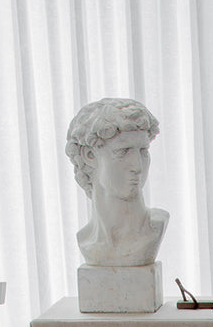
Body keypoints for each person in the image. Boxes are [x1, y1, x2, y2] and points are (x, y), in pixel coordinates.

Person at [64, 98, 168, 267]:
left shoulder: (155, 227)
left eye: (143, 151)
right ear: (89, 156)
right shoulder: (86, 239)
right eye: (123, 151)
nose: (137, 166)